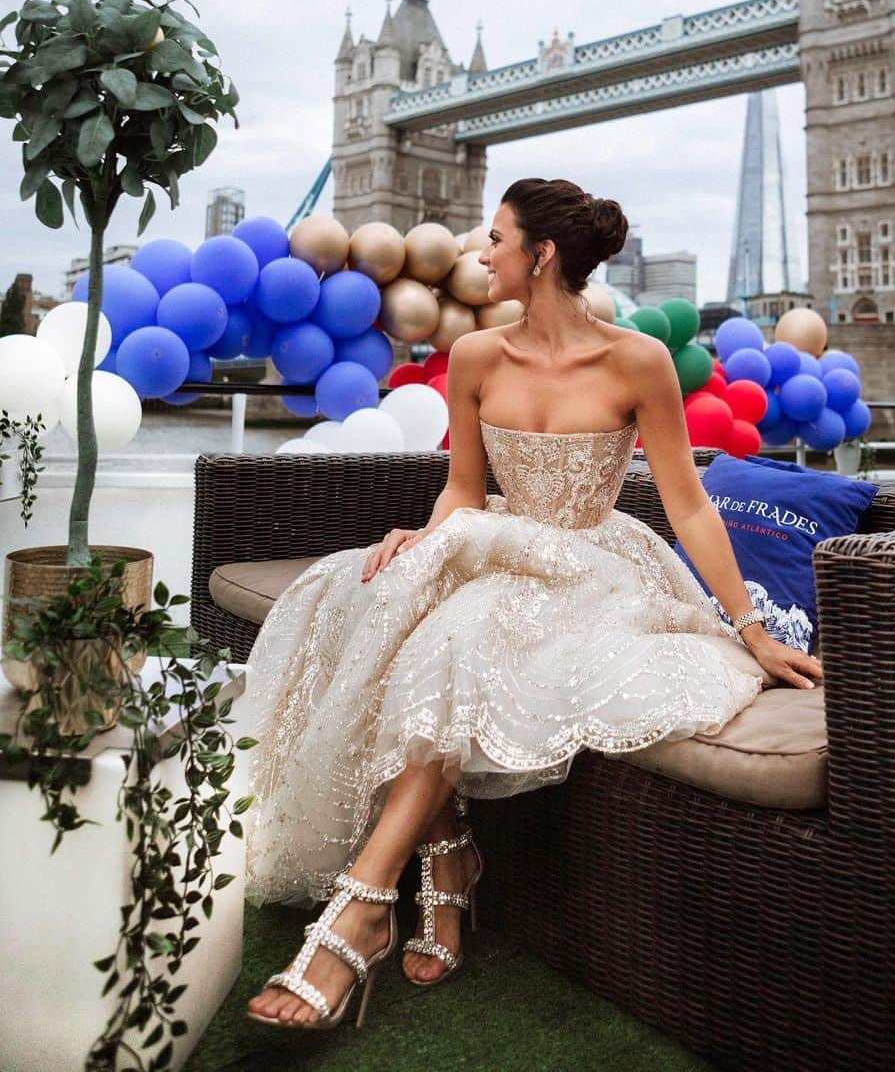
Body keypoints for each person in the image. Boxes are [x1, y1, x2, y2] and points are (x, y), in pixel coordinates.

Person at [245, 177, 822, 1031]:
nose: (480, 254)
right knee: (386, 600)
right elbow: (465, 492)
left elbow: (691, 504)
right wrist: (425, 537)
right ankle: (444, 865)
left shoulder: (638, 361)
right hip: (498, 541)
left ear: (541, 255)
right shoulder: (476, 358)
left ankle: (366, 906)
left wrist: (750, 625)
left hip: (596, 569)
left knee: (453, 640)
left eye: (497, 239)